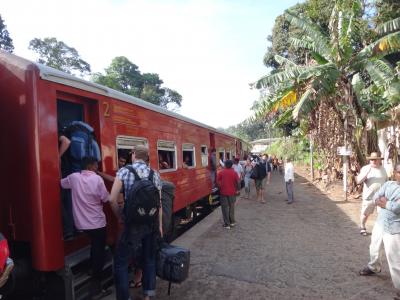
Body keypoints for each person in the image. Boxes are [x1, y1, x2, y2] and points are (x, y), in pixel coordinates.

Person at [110, 145, 162, 300]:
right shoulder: (155, 174)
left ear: (133, 154)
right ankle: (148, 295)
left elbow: (111, 199)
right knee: (149, 259)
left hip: (132, 224)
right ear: (146, 157)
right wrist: (159, 226)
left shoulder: (124, 171)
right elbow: (158, 204)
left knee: (121, 263)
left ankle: (125, 297)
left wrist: (120, 215)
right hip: (151, 224)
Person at [60, 157, 111, 300]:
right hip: (97, 223)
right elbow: (105, 198)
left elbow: (62, 184)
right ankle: (97, 286)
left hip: (81, 224)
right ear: (90, 166)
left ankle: (92, 269)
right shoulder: (97, 180)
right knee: (98, 250)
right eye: (96, 165)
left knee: (94, 246)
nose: (97, 168)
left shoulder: (74, 177)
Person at [359, 163, 400, 300]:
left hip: (394, 228)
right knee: (374, 247)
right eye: (398, 171)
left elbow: (397, 208)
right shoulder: (389, 184)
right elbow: (377, 196)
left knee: (394, 258)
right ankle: (374, 266)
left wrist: (386, 203)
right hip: (381, 222)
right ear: (395, 172)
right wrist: (384, 202)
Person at [356, 152, 387, 236]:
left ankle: (381, 230)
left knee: (383, 213)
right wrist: (366, 173)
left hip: (381, 196)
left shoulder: (383, 169)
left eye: (375, 159)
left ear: (379, 160)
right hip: (369, 196)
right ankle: (362, 226)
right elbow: (358, 181)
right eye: (371, 159)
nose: (373, 161)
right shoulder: (366, 168)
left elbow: (386, 181)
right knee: (366, 213)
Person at [217, 160, 240, 229]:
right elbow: (238, 182)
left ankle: (227, 224)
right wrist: (238, 190)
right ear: (232, 165)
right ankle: (232, 222)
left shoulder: (221, 172)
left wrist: (220, 187)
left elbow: (217, 181)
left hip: (223, 193)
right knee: (231, 207)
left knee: (225, 209)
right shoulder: (234, 173)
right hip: (232, 193)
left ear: (225, 165)